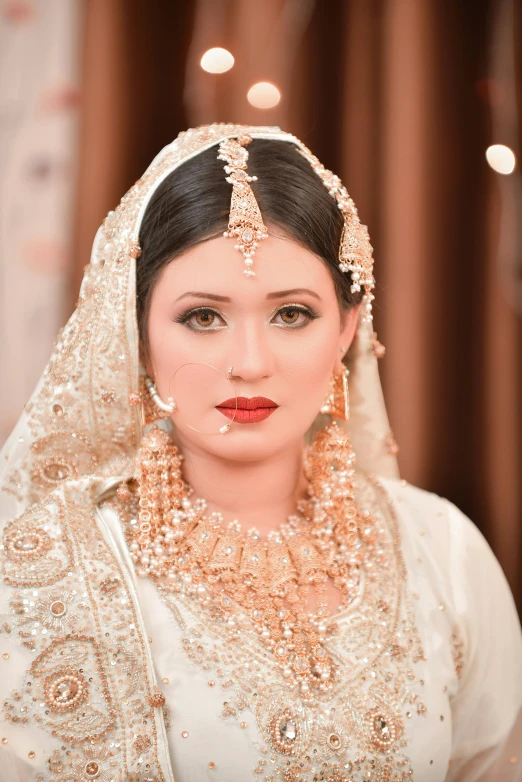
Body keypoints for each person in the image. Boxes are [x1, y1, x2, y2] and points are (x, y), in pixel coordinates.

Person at [0, 123, 520, 782]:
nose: (250, 363)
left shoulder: (441, 550)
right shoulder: (38, 575)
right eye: (203, 317)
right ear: (135, 334)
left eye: (292, 314)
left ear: (347, 329)